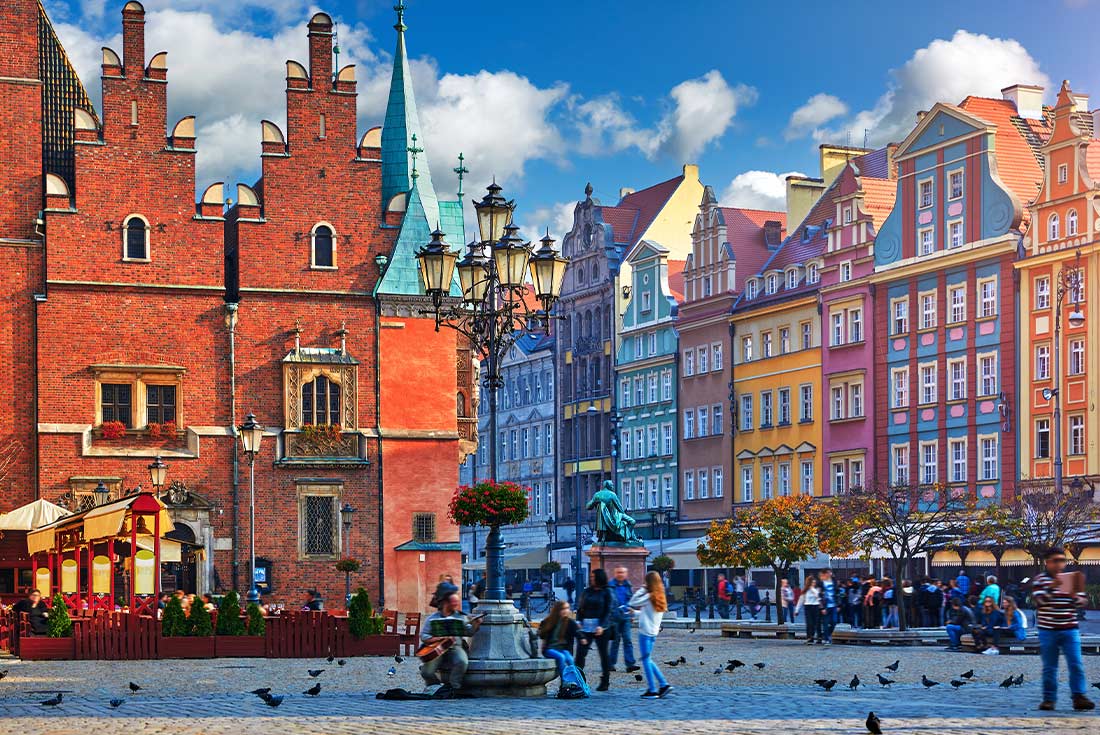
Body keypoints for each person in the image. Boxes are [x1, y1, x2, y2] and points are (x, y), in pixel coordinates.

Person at [1032, 547, 1093, 711]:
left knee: (1076, 663)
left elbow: (1082, 601)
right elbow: (1039, 601)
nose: (1060, 564)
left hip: (1069, 628)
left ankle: (1079, 697)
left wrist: (1076, 597)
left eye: (1062, 560)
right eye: (1056, 560)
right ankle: (1049, 699)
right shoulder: (1040, 580)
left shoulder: (1073, 578)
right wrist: (1052, 587)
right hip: (1048, 630)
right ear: (1047, 562)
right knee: (1050, 667)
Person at [629, 571, 672, 699]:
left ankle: (652, 690)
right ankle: (663, 685)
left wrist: (642, 589)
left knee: (646, 660)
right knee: (648, 659)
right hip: (653, 632)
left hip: (645, 633)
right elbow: (649, 614)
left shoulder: (649, 596)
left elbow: (633, 601)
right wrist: (635, 613)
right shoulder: (660, 596)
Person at [574, 568, 613, 691]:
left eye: (593, 577)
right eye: (590, 577)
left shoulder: (606, 592)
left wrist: (602, 625)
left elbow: (608, 610)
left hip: (600, 628)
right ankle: (579, 680)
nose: (591, 579)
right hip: (586, 626)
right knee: (580, 654)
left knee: (603, 654)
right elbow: (580, 607)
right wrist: (578, 621)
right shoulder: (587, 591)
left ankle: (605, 681)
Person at [538, 600, 587, 679]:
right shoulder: (549, 621)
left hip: (563, 649)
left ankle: (575, 680)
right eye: (563, 609)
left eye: (567, 608)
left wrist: (582, 638)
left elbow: (577, 632)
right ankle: (564, 681)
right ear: (558, 610)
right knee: (561, 657)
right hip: (549, 649)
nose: (566, 611)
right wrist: (542, 630)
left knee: (570, 659)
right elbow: (541, 634)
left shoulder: (570, 622)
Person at [607, 567, 638, 672]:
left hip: (626, 617)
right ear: (615, 573)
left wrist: (632, 615)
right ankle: (611, 664)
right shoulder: (610, 586)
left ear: (626, 574)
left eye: (622, 572)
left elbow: (631, 600)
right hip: (614, 618)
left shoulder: (628, 585)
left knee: (628, 640)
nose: (620, 574)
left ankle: (630, 664)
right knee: (615, 641)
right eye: (618, 572)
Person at [795, 575, 821, 644]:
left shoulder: (816, 589)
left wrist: (812, 589)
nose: (814, 584)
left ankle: (819, 637)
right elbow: (800, 600)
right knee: (809, 623)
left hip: (816, 606)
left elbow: (818, 596)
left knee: (817, 623)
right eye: (812, 582)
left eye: (814, 582)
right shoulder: (805, 591)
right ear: (809, 583)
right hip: (808, 606)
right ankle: (810, 637)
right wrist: (797, 610)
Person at [818, 568, 839, 644]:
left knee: (834, 621)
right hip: (826, 606)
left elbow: (837, 593)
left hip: (833, 605)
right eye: (828, 573)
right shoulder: (821, 583)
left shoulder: (834, 582)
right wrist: (822, 607)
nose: (829, 574)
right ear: (825, 574)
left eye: (830, 572)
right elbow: (819, 596)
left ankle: (827, 634)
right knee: (825, 623)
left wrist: (838, 605)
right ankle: (827, 638)